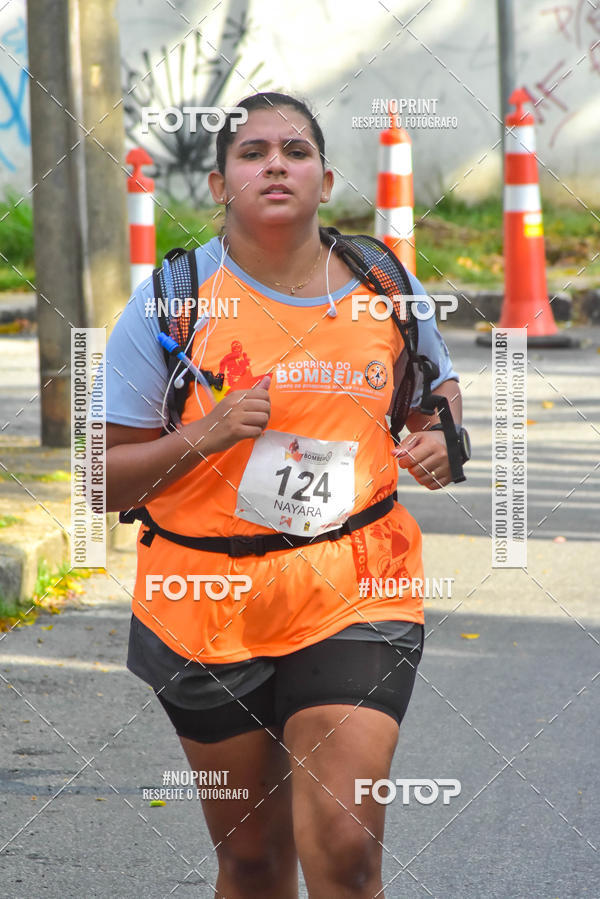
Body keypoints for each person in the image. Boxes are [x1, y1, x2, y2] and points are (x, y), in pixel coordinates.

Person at [105, 91, 465, 898]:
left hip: (355, 586)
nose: (276, 164)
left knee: (345, 848)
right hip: (204, 601)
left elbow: (434, 393)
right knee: (254, 863)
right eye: (254, 152)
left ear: (325, 180)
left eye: (297, 151)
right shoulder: (173, 300)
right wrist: (205, 433)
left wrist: (444, 436)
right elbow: (101, 475)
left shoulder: (383, 282)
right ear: (218, 184)